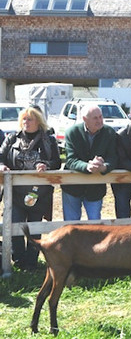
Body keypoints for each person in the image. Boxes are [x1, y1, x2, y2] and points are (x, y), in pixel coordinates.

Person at [0, 107, 61, 270]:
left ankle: (32, 262)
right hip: (15, 193)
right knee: (15, 225)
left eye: (30, 119)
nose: (26, 122)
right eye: (24, 119)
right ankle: (19, 261)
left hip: (39, 193)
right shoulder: (12, 138)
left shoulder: (49, 140)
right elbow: (1, 156)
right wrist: (2, 166)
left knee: (35, 227)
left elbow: (57, 162)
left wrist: (46, 165)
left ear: (38, 122)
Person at [62, 103, 118, 221]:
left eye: (100, 116)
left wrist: (104, 167)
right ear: (84, 119)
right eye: (95, 118)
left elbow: (113, 158)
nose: (99, 120)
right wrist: (87, 166)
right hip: (72, 187)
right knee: (71, 225)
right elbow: (71, 160)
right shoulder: (72, 132)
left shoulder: (109, 132)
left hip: (95, 188)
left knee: (95, 224)